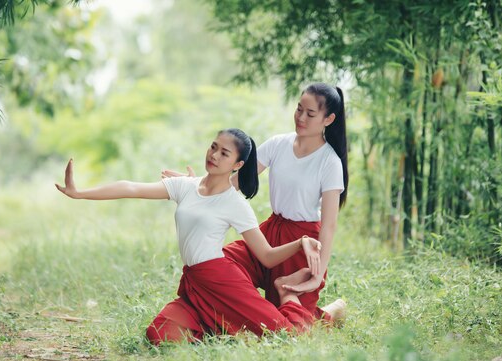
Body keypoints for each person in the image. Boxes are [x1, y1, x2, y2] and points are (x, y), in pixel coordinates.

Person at [56, 128, 324, 344]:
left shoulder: (235, 203)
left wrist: (300, 242)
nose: (215, 155)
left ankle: (287, 295)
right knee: (159, 335)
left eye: (224, 153)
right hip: (196, 280)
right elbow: (130, 187)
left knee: (283, 335)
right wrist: (80, 193)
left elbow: (266, 256)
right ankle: (220, 327)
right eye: (213, 147)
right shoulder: (186, 186)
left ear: (238, 164)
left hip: (222, 280)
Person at [163, 83, 348, 323]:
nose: (301, 117)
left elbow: (329, 226)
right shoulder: (278, 144)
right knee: (217, 264)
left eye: (310, 114)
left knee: (292, 318)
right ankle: (228, 314)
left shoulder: (329, 162)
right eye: (298, 109)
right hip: (271, 232)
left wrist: (317, 275)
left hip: (302, 245)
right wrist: (193, 185)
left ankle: (328, 314)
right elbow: (232, 183)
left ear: (328, 119)